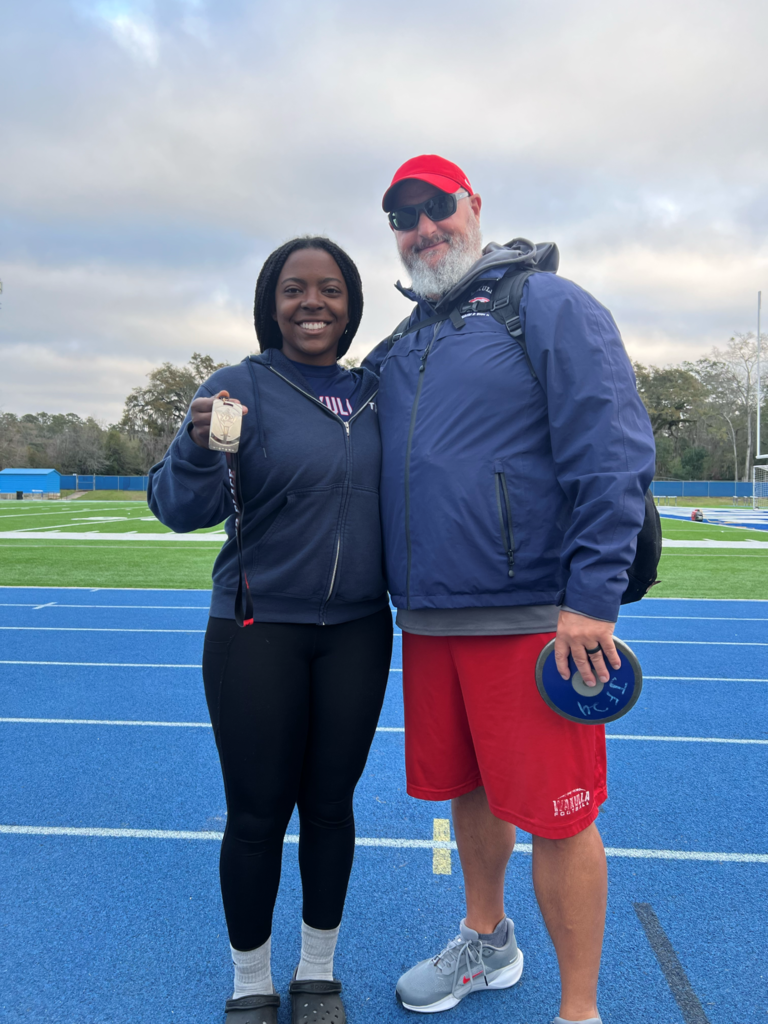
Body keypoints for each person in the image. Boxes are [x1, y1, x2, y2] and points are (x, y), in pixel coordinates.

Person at [364, 156, 656, 1024]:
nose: (424, 228)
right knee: (470, 790)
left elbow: (613, 454)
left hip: (533, 620)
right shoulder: (401, 344)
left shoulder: (548, 306)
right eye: (404, 217)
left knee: (560, 817)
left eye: (438, 207)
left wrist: (592, 599)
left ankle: (579, 1010)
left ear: (474, 207)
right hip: (430, 619)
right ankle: (487, 942)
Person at [148, 236, 393, 1024]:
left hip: (358, 632)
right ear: (271, 303)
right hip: (257, 629)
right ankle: (250, 981)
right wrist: (193, 451)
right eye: (294, 288)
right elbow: (179, 510)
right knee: (256, 814)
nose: (312, 302)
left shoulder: (376, 393)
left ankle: (317, 974)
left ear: (351, 306)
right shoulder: (236, 388)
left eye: (330, 289)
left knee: (330, 806)